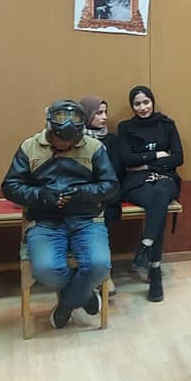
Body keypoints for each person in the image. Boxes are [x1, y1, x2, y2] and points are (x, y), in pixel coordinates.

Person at [1, 99, 117, 330]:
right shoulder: (29, 147)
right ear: (49, 127)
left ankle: (66, 304)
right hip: (45, 221)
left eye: (71, 142)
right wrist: (41, 195)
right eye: (60, 141)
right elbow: (10, 187)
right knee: (45, 269)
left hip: (87, 219)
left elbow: (111, 186)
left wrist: (82, 193)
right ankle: (85, 296)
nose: (66, 145)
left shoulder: (94, 147)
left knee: (99, 264)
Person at [116, 85, 183, 303]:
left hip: (166, 178)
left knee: (161, 193)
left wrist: (143, 163)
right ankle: (155, 269)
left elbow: (178, 158)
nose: (143, 107)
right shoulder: (125, 127)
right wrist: (156, 156)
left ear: (152, 102)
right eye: (137, 104)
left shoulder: (167, 124)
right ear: (132, 106)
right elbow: (126, 160)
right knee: (158, 203)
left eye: (146, 102)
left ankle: (146, 246)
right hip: (136, 182)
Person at [79, 96, 122, 297]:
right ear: (86, 115)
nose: (104, 117)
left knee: (106, 214)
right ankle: (88, 273)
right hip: (84, 193)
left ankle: (105, 274)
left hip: (107, 193)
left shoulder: (111, 140)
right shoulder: (74, 140)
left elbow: (116, 169)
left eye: (105, 112)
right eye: (98, 113)